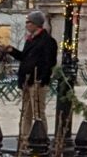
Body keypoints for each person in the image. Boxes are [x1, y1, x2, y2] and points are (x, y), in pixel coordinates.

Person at [16, 12, 59, 142]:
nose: (27, 25)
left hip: (37, 80)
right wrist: (11, 51)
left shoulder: (47, 41)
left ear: (36, 24)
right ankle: (25, 138)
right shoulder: (30, 39)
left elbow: (49, 61)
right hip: (27, 80)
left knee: (38, 112)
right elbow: (24, 58)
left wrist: (42, 78)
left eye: (29, 22)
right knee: (26, 112)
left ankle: (41, 138)